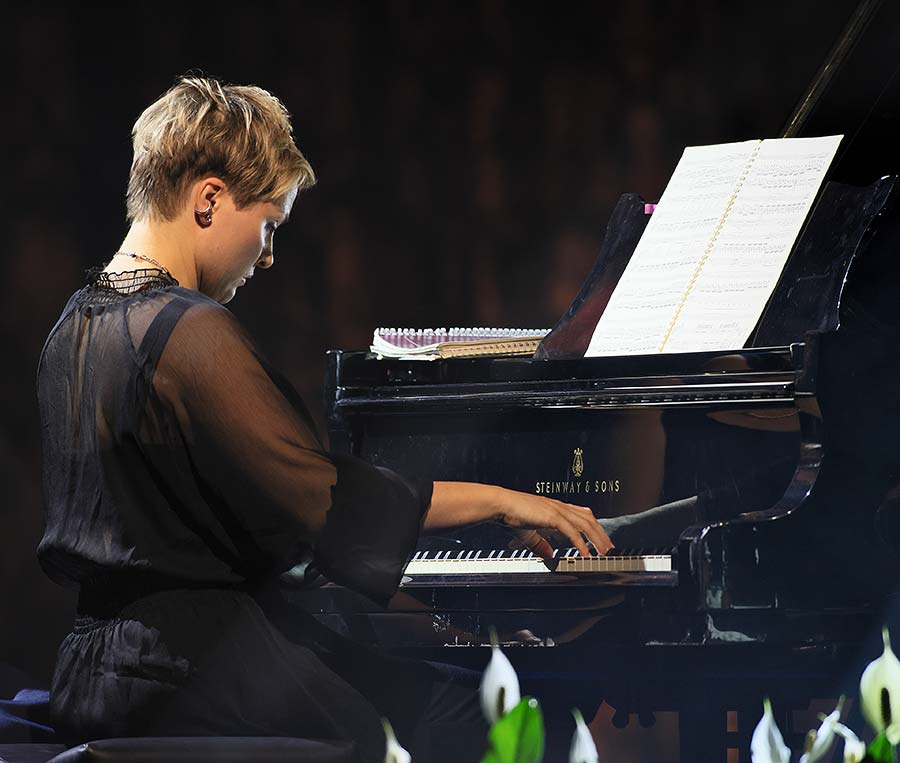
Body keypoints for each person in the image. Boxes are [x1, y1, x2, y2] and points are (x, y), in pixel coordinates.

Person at [36, 76, 612, 762]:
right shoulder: (189, 332)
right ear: (210, 198)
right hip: (194, 672)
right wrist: (502, 502)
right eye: (270, 224)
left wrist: (436, 629)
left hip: (94, 673)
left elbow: (252, 535)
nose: (269, 256)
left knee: (448, 691)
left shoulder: (70, 328)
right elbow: (323, 504)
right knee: (501, 725)